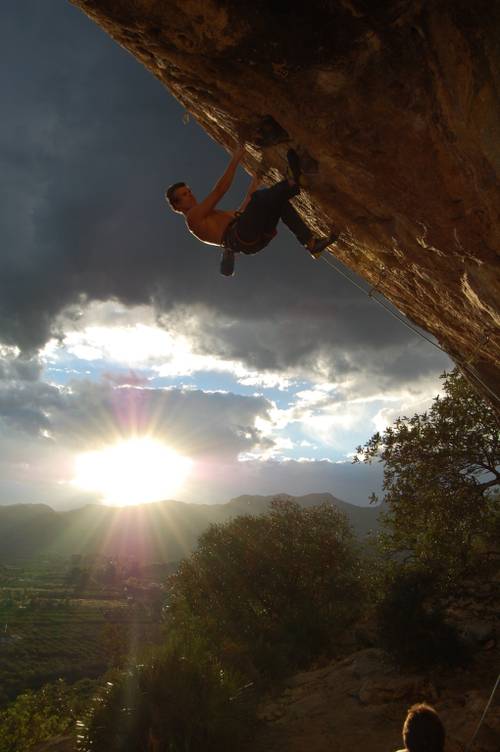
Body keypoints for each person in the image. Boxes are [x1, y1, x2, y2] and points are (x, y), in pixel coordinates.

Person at [165, 145, 338, 276]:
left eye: (189, 191)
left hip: (251, 240)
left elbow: (244, 209)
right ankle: (293, 182)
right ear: (177, 206)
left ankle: (311, 243)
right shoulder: (193, 218)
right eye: (184, 195)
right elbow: (220, 191)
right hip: (242, 236)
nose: (191, 195)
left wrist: (257, 178)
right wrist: (236, 158)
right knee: (261, 199)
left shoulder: (209, 219)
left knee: (278, 204)